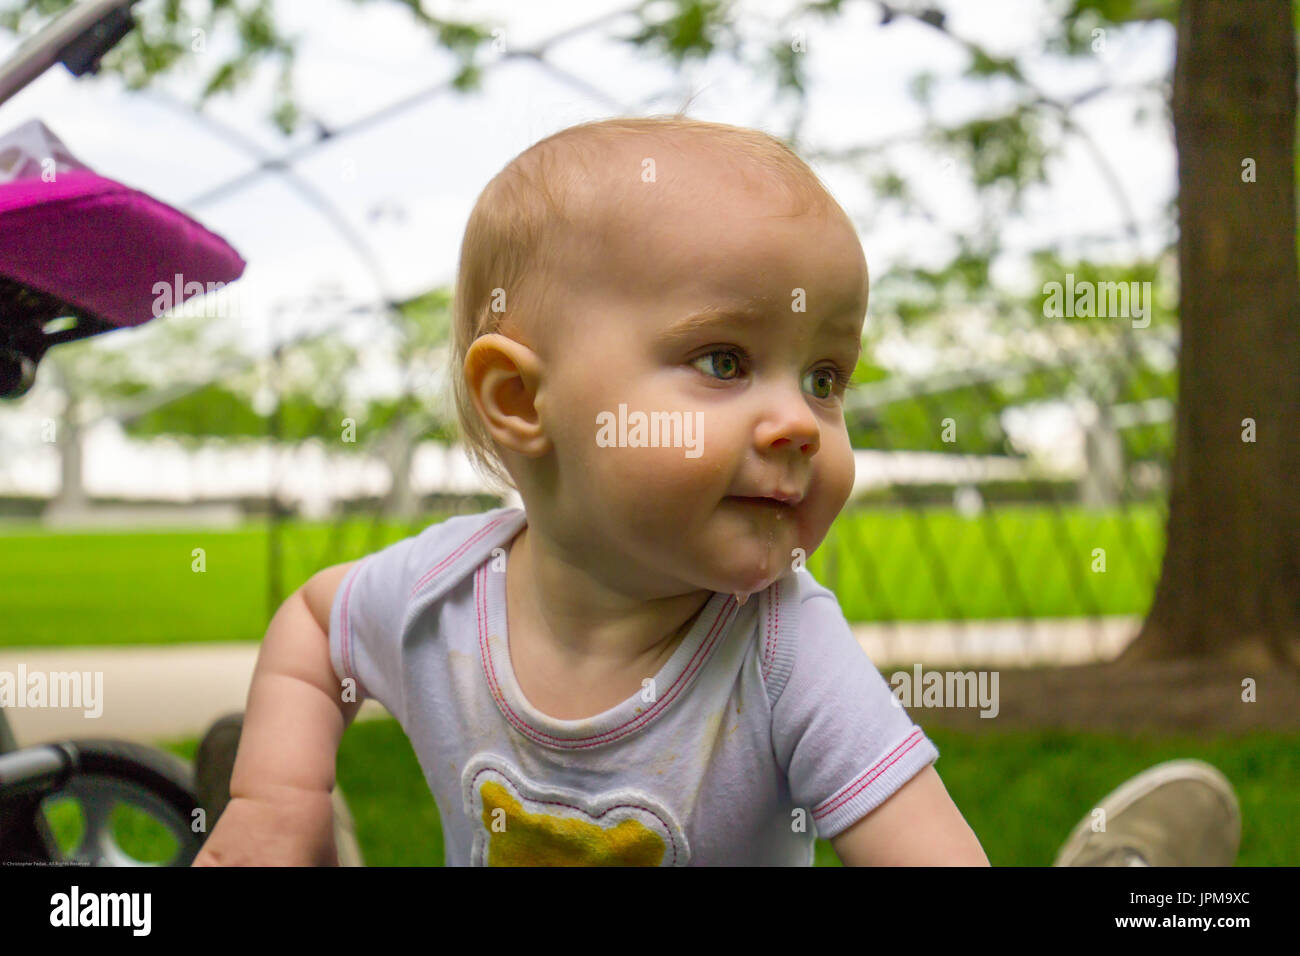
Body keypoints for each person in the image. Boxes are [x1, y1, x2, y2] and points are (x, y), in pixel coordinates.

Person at [192, 115, 1202, 867]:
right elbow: (314, 628)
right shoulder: (438, 592)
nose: (801, 421)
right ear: (520, 399)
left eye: (824, 376)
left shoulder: (781, 650)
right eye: (724, 360)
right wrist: (280, 792)